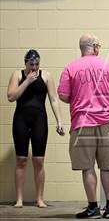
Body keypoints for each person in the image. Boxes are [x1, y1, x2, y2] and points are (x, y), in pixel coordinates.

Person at [58, 34, 109, 219]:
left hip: (82, 123)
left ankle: (93, 208)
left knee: (88, 167)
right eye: (99, 46)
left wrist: (79, 96)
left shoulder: (70, 68)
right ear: (94, 47)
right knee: (108, 166)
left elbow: (63, 95)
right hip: (107, 122)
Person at [7, 49, 65, 208]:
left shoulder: (46, 76)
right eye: (31, 64)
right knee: (21, 159)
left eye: (37, 64)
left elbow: (54, 99)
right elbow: (11, 97)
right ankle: (19, 199)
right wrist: (26, 82)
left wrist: (59, 121)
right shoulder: (17, 75)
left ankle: (40, 198)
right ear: (25, 63)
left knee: (39, 160)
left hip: (40, 119)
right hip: (21, 119)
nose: (34, 67)